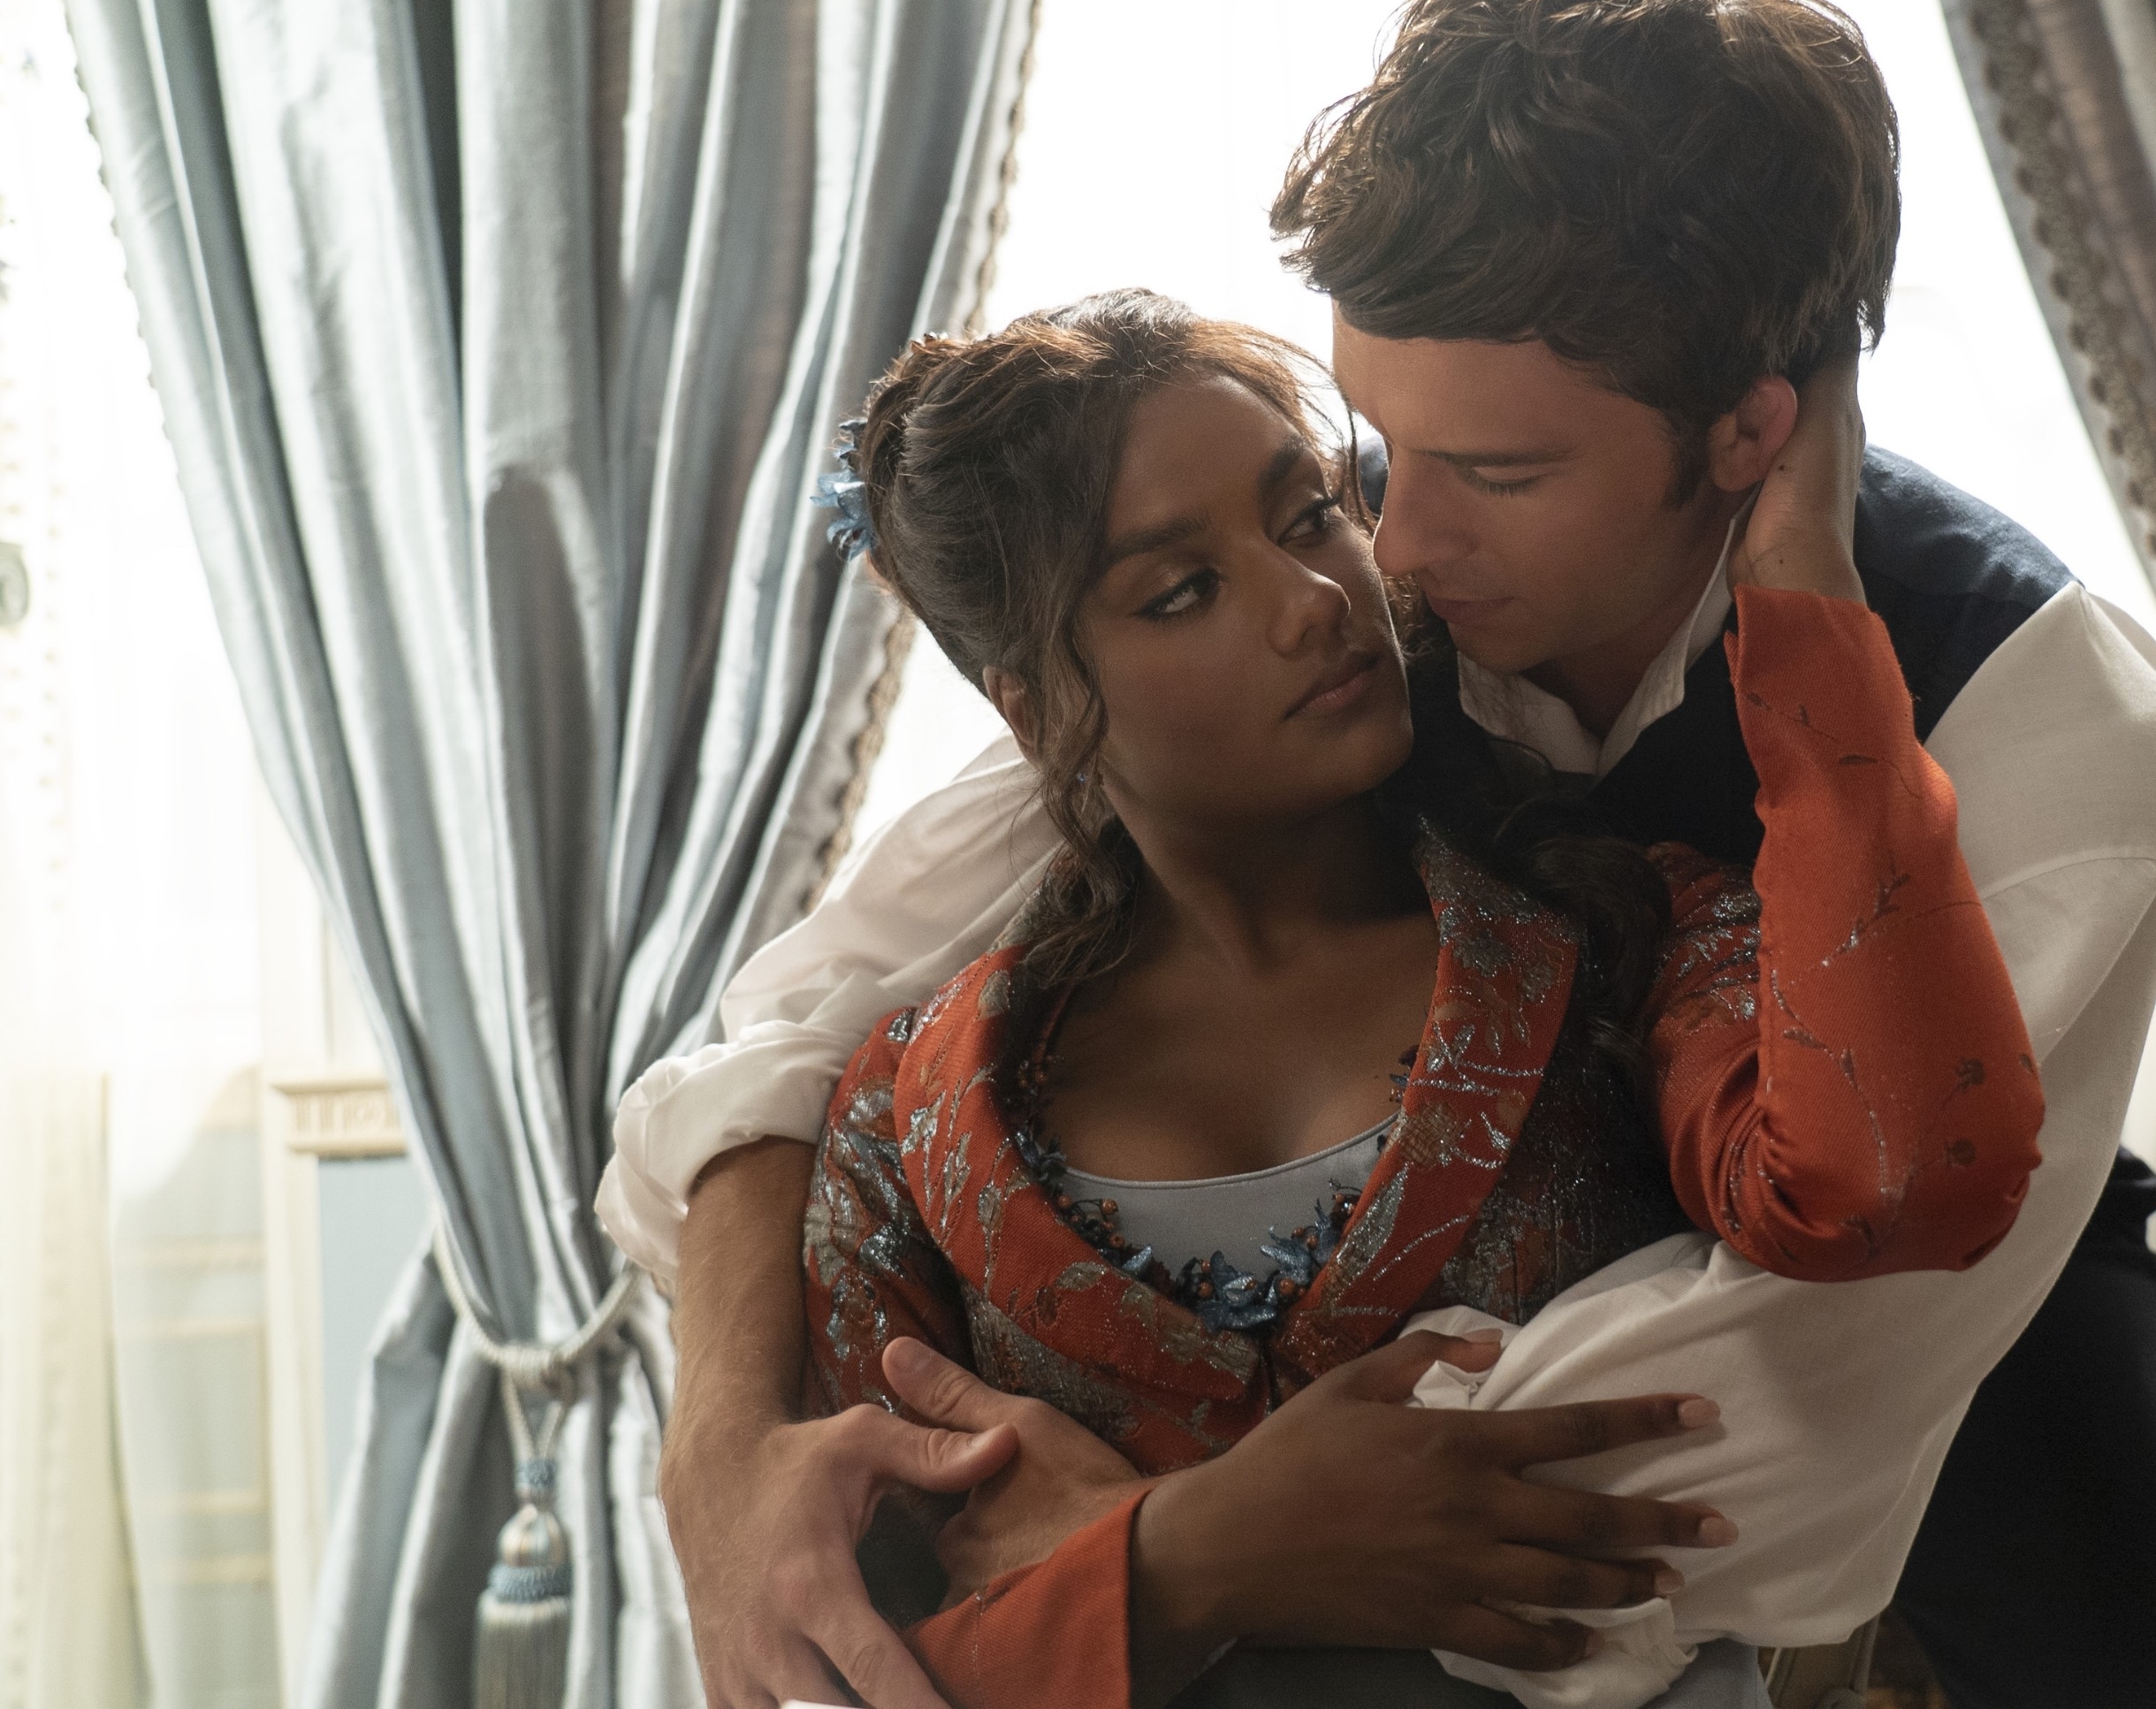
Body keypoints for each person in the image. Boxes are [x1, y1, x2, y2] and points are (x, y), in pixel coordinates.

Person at [601, 0, 2156, 1708]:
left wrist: (1182, 1550)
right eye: (1374, 450)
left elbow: (1780, 1386)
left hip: (2002, 1555)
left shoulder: (2057, 722)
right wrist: (718, 1452)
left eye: (1488, 477)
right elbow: (799, 1032)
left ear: (1748, 436)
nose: (1385, 561)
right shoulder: (1338, 587)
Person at [790, 290, 2041, 1708]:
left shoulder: (1618, 937)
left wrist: (1807, 582)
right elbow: (856, 1658)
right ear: (1031, 710)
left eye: (1308, 512)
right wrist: (1197, 1559)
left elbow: (1884, 1183)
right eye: (1182, 590)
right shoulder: (907, 1123)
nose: (1316, 602)